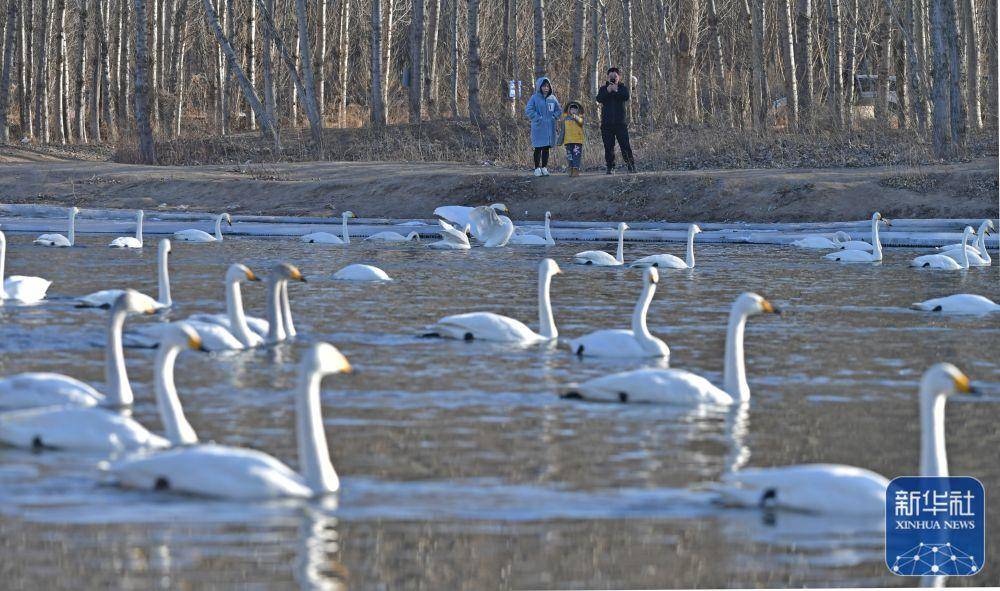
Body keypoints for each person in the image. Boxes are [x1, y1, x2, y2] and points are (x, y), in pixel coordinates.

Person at [595, 67, 635, 174]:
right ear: (607, 77)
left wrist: (616, 90)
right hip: (606, 124)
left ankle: (631, 166)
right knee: (608, 146)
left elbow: (626, 97)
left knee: (625, 145)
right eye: (611, 76)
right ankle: (610, 167)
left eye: (615, 76)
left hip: (620, 123)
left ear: (619, 77)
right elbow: (598, 98)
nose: (613, 78)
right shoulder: (603, 88)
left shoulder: (622, 88)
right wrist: (608, 91)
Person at [524, 77, 561, 177]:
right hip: (538, 127)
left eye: (547, 86)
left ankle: (544, 167)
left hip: (549, 128)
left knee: (546, 148)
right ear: (539, 87)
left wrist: (554, 116)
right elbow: (528, 110)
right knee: (538, 148)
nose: (546, 88)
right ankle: (537, 168)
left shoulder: (552, 98)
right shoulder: (534, 98)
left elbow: (559, 110)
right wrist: (538, 118)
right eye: (544, 86)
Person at [560, 101, 585, 177]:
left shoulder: (580, 117)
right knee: (570, 156)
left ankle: (576, 169)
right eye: (572, 109)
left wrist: (575, 116)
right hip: (568, 141)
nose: (573, 111)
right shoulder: (565, 118)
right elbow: (562, 129)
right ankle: (570, 169)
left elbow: (581, 122)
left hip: (577, 141)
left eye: (575, 109)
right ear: (569, 110)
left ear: (578, 110)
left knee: (576, 155)